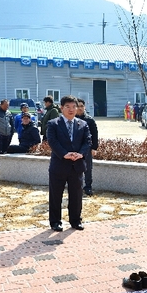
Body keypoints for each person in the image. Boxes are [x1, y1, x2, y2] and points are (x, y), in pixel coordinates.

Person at [47, 95, 92, 232]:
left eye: (74, 107)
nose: (71, 109)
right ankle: (55, 222)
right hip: (59, 165)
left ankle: (75, 220)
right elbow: (52, 141)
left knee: (76, 195)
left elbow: (88, 141)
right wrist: (64, 154)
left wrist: (81, 154)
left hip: (76, 166)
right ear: (62, 108)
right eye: (68, 107)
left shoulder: (82, 124)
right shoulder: (53, 124)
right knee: (56, 195)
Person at [76, 99, 99, 196]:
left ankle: (88, 187)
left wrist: (94, 148)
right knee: (75, 168)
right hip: (75, 147)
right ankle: (77, 187)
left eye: (82, 106)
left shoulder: (90, 120)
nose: (80, 108)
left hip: (87, 148)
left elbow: (95, 134)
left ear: (84, 107)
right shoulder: (72, 119)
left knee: (88, 168)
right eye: (78, 106)